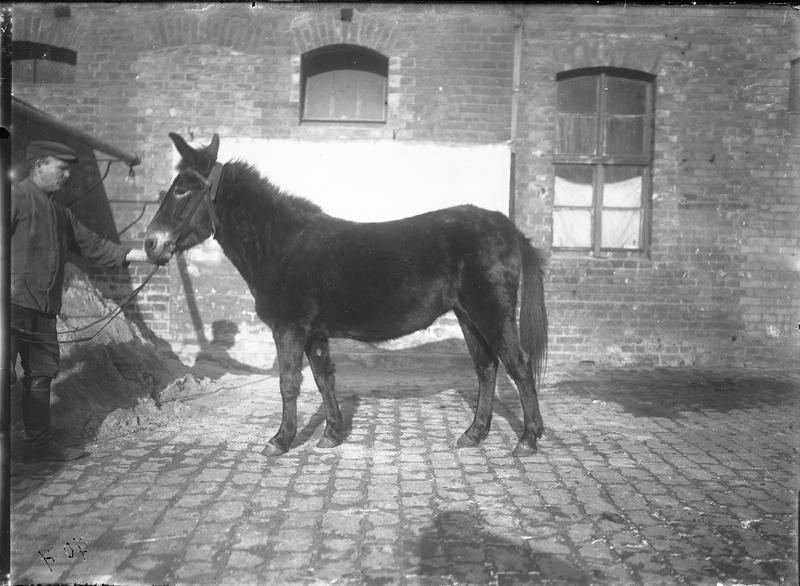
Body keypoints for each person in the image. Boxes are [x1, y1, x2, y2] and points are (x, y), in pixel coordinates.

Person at [10, 140, 152, 462]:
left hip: (43, 310)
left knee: (41, 375)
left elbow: (95, 246)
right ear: (38, 166)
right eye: (61, 169)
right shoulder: (13, 198)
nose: (66, 176)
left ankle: (38, 447)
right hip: (10, 307)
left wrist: (146, 256)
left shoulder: (62, 214)